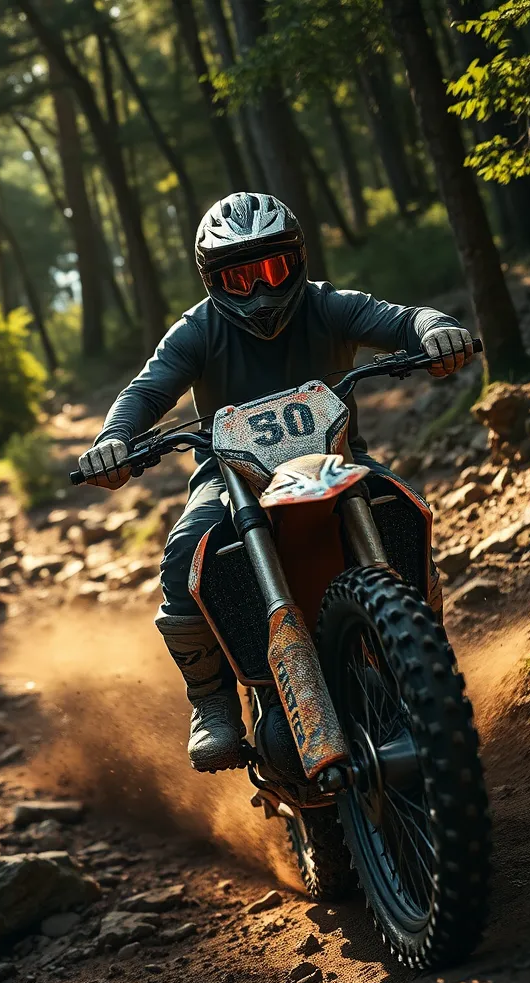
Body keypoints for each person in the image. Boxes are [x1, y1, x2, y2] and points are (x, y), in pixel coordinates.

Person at [78, 192, 474, 773]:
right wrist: (115, 440)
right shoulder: (197, 330)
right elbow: (146, 391)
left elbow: (399, 319)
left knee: (403, 507)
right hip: (231, 479)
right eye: (240, 277)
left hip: (339, 460)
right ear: (214, 280)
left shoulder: (329, 305)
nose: (260, 290)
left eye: (272, 269)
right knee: (187, 553)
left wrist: (437, 329)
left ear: (297, 260)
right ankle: (212, 703)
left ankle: (422, 651)